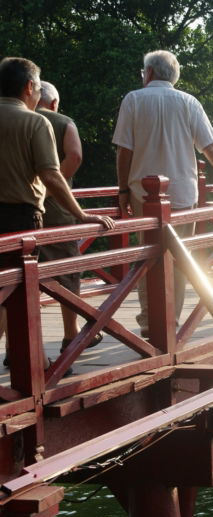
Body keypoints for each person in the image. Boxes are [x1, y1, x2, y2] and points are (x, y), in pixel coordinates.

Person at [113, 50, 213, 337]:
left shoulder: (133, 99)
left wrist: (123, 189)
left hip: (143, 193)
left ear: (148, 72)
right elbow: (210, 147)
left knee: (147, 256)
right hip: (183, 193)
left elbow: (124, 150)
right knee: (178, 258)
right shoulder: (189, 102)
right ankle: (171, 323)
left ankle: (150, 323)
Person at [0, 57, 114, 363]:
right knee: (21, 288)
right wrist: (81, 214)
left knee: (3, 288)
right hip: (20, 216)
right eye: (36, 86)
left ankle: (20, 353)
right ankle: (31, 359)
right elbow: (52, 173)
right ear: (28, 86)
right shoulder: (35, 121)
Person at [37, 81, 104, 352]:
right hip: (57, 207)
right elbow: (74, 156)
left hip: (18, 205)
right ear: (53, 102)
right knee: (65, 269)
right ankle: (70, 333)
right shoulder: (61, 121)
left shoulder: (13, 120)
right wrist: (52, 187)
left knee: (15, 276)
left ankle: (19, 348)